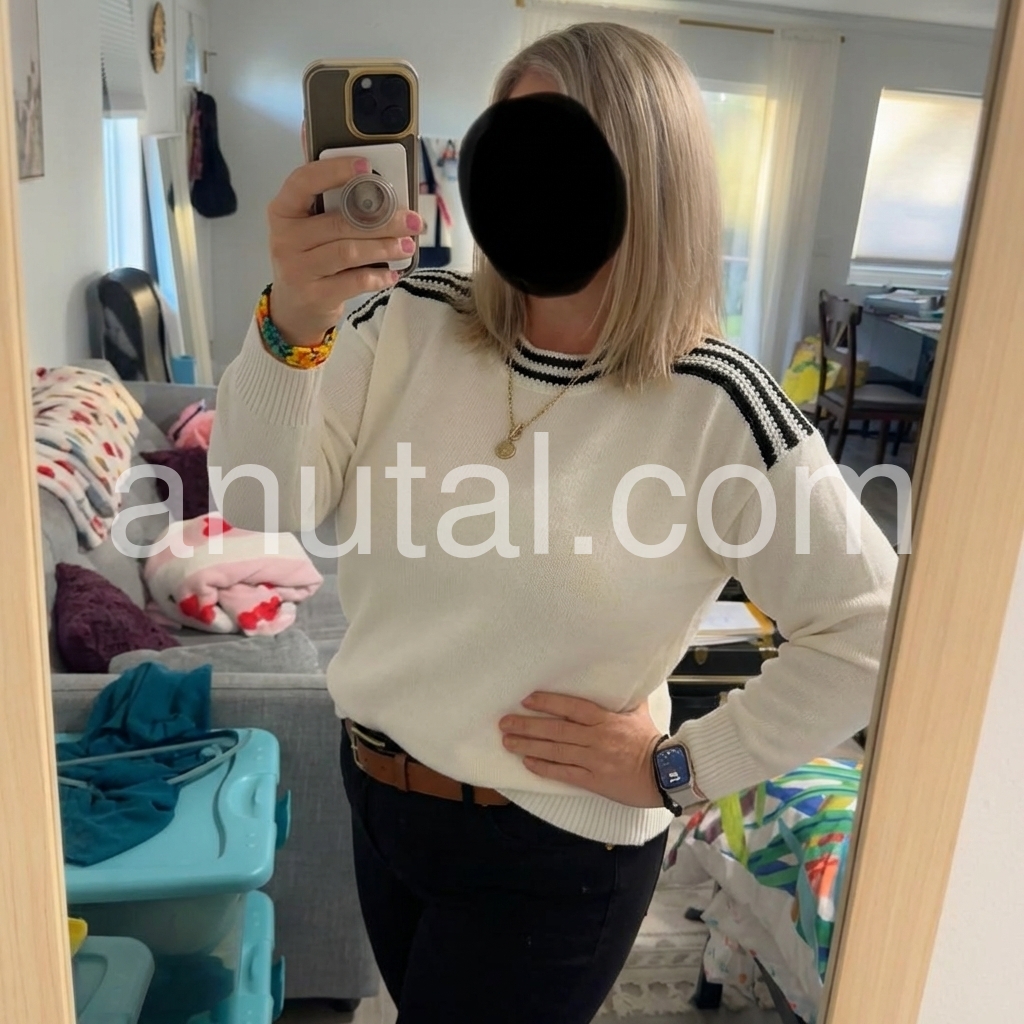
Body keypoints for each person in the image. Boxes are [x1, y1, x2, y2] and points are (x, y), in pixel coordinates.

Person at [208, 22, 896, 1024]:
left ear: (647, 182)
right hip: (378, 796)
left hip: (553, 853)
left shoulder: (717, 403)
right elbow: (260, 505)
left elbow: (870, 628)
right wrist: (292, 322)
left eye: (561, 153)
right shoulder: (399, 319)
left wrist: (683, 766)